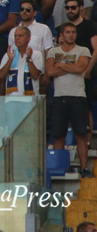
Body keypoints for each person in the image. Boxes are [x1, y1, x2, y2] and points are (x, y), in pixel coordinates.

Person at [48, 21, 92, 176]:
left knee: (81, 134)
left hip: (78, 96)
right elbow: (50, 71)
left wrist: (60, 64)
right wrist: (70, 66)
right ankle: (58, 167)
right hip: (59, 96)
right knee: (58, 134)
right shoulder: (53, 51)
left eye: (73, 32)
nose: (71, 35)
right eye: (67, 32)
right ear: (62, 34)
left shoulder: (83, 50)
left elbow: (81, 68)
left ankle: (84, 168)